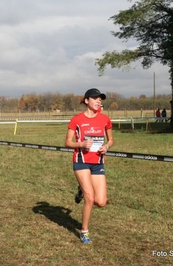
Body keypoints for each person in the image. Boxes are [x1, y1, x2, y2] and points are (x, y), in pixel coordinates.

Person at [65, 88, 114, 244]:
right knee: (90, 198)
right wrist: (81, 143)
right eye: (95, 98)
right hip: (81, 161)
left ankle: (80, 190)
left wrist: (106, 147)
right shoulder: (76, 120)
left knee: (101, 202)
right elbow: (67, 142)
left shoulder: (105, 119)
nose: (99, 101)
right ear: (86, 101)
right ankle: (84, 231)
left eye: (100, 99)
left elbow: (111, 140)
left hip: (97, 162)